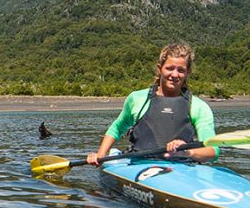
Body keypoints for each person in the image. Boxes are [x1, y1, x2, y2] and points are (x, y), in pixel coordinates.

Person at [87, 43, 218, 165]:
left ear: (188, 72)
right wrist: (100, 155)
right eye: (169, 68)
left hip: (182, 166)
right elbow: (117, 129)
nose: (174, 74)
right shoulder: (137, 99)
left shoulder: (198, 106)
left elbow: (213, 151)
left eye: (181, 70)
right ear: (160, 68)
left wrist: (187, 152)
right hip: (139, 165)